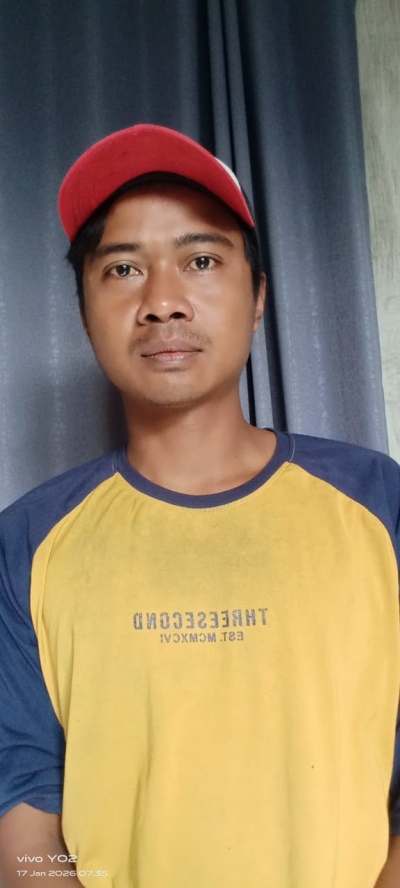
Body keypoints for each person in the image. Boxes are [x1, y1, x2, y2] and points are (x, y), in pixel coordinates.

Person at [0, 124, 399, 888]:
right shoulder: (25, 543)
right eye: (123, 268)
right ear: (83, 312)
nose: (162, 302)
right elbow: (25, 817)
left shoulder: (379, 503)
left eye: (202, 260)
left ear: (258, 297)